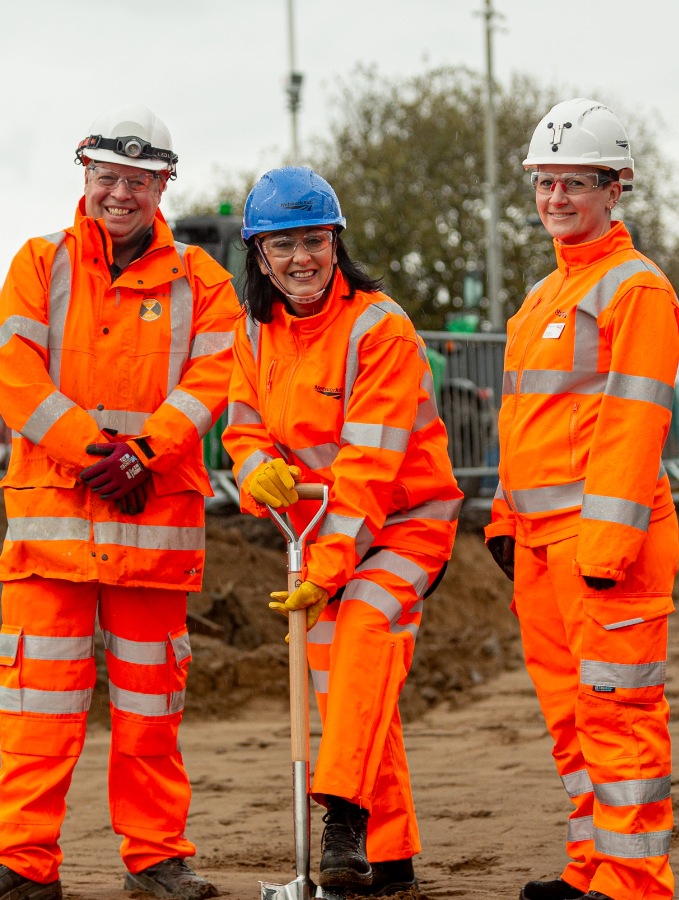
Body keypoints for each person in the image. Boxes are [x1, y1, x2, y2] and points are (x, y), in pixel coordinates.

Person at [0, 104, 242, 900]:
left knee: (150, 714)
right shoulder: (40, 263)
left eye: (138, 181)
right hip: (55, 527)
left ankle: (158, 859)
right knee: (36, 712)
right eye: (107, 177)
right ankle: (20, 864)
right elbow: (13, 373)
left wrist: (145, 452)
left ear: (164, 184)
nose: (121, 194)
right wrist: (93, 452)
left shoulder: (204, 283)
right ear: (86, 176)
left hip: (150, 527)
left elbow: (216, 378)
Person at [222, 168, 463, 895]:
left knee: (360, 635)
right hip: (321, 531)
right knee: (355, 693)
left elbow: (369, 465)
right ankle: (388, 863)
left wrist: (327, 570)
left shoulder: (379, 326)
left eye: (314, 241)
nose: (301, 259)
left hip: (407, 523)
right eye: (283, 245)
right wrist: (255, 466)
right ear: (259, 256)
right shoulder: (252, 330)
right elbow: (243, 426)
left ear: (337, 243)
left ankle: (343, 815)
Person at [484, 100, 679, 900]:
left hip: (604, 548)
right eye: (545, 183)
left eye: (574, 183)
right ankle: (591, 871)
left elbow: (633, 428)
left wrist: (603, 550)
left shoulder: (634, 289)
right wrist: (505, 519)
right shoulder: (543, 298)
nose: (556, 198)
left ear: (616, 188)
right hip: (541, 547)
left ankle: (633, 885)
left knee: (618, 718)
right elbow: (523, 421)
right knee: (572, 724)